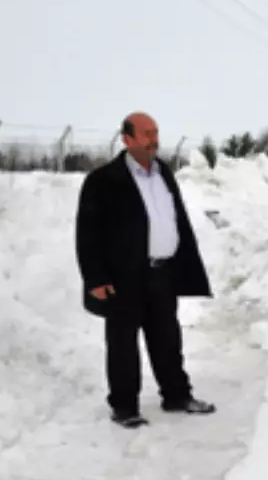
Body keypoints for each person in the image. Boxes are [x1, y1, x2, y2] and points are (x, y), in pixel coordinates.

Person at [74, 111, 216, 428]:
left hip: (162, 274)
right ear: (127, 139)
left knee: (168, 338)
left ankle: (177, 395)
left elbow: (171, 219)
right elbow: (88, 233)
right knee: (123, 344)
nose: (154, 139)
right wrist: (95, 279)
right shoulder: (104, 181)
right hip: (124, 277)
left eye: (156, 132)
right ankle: (124, 407)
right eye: (146, 134)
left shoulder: (163, 173)